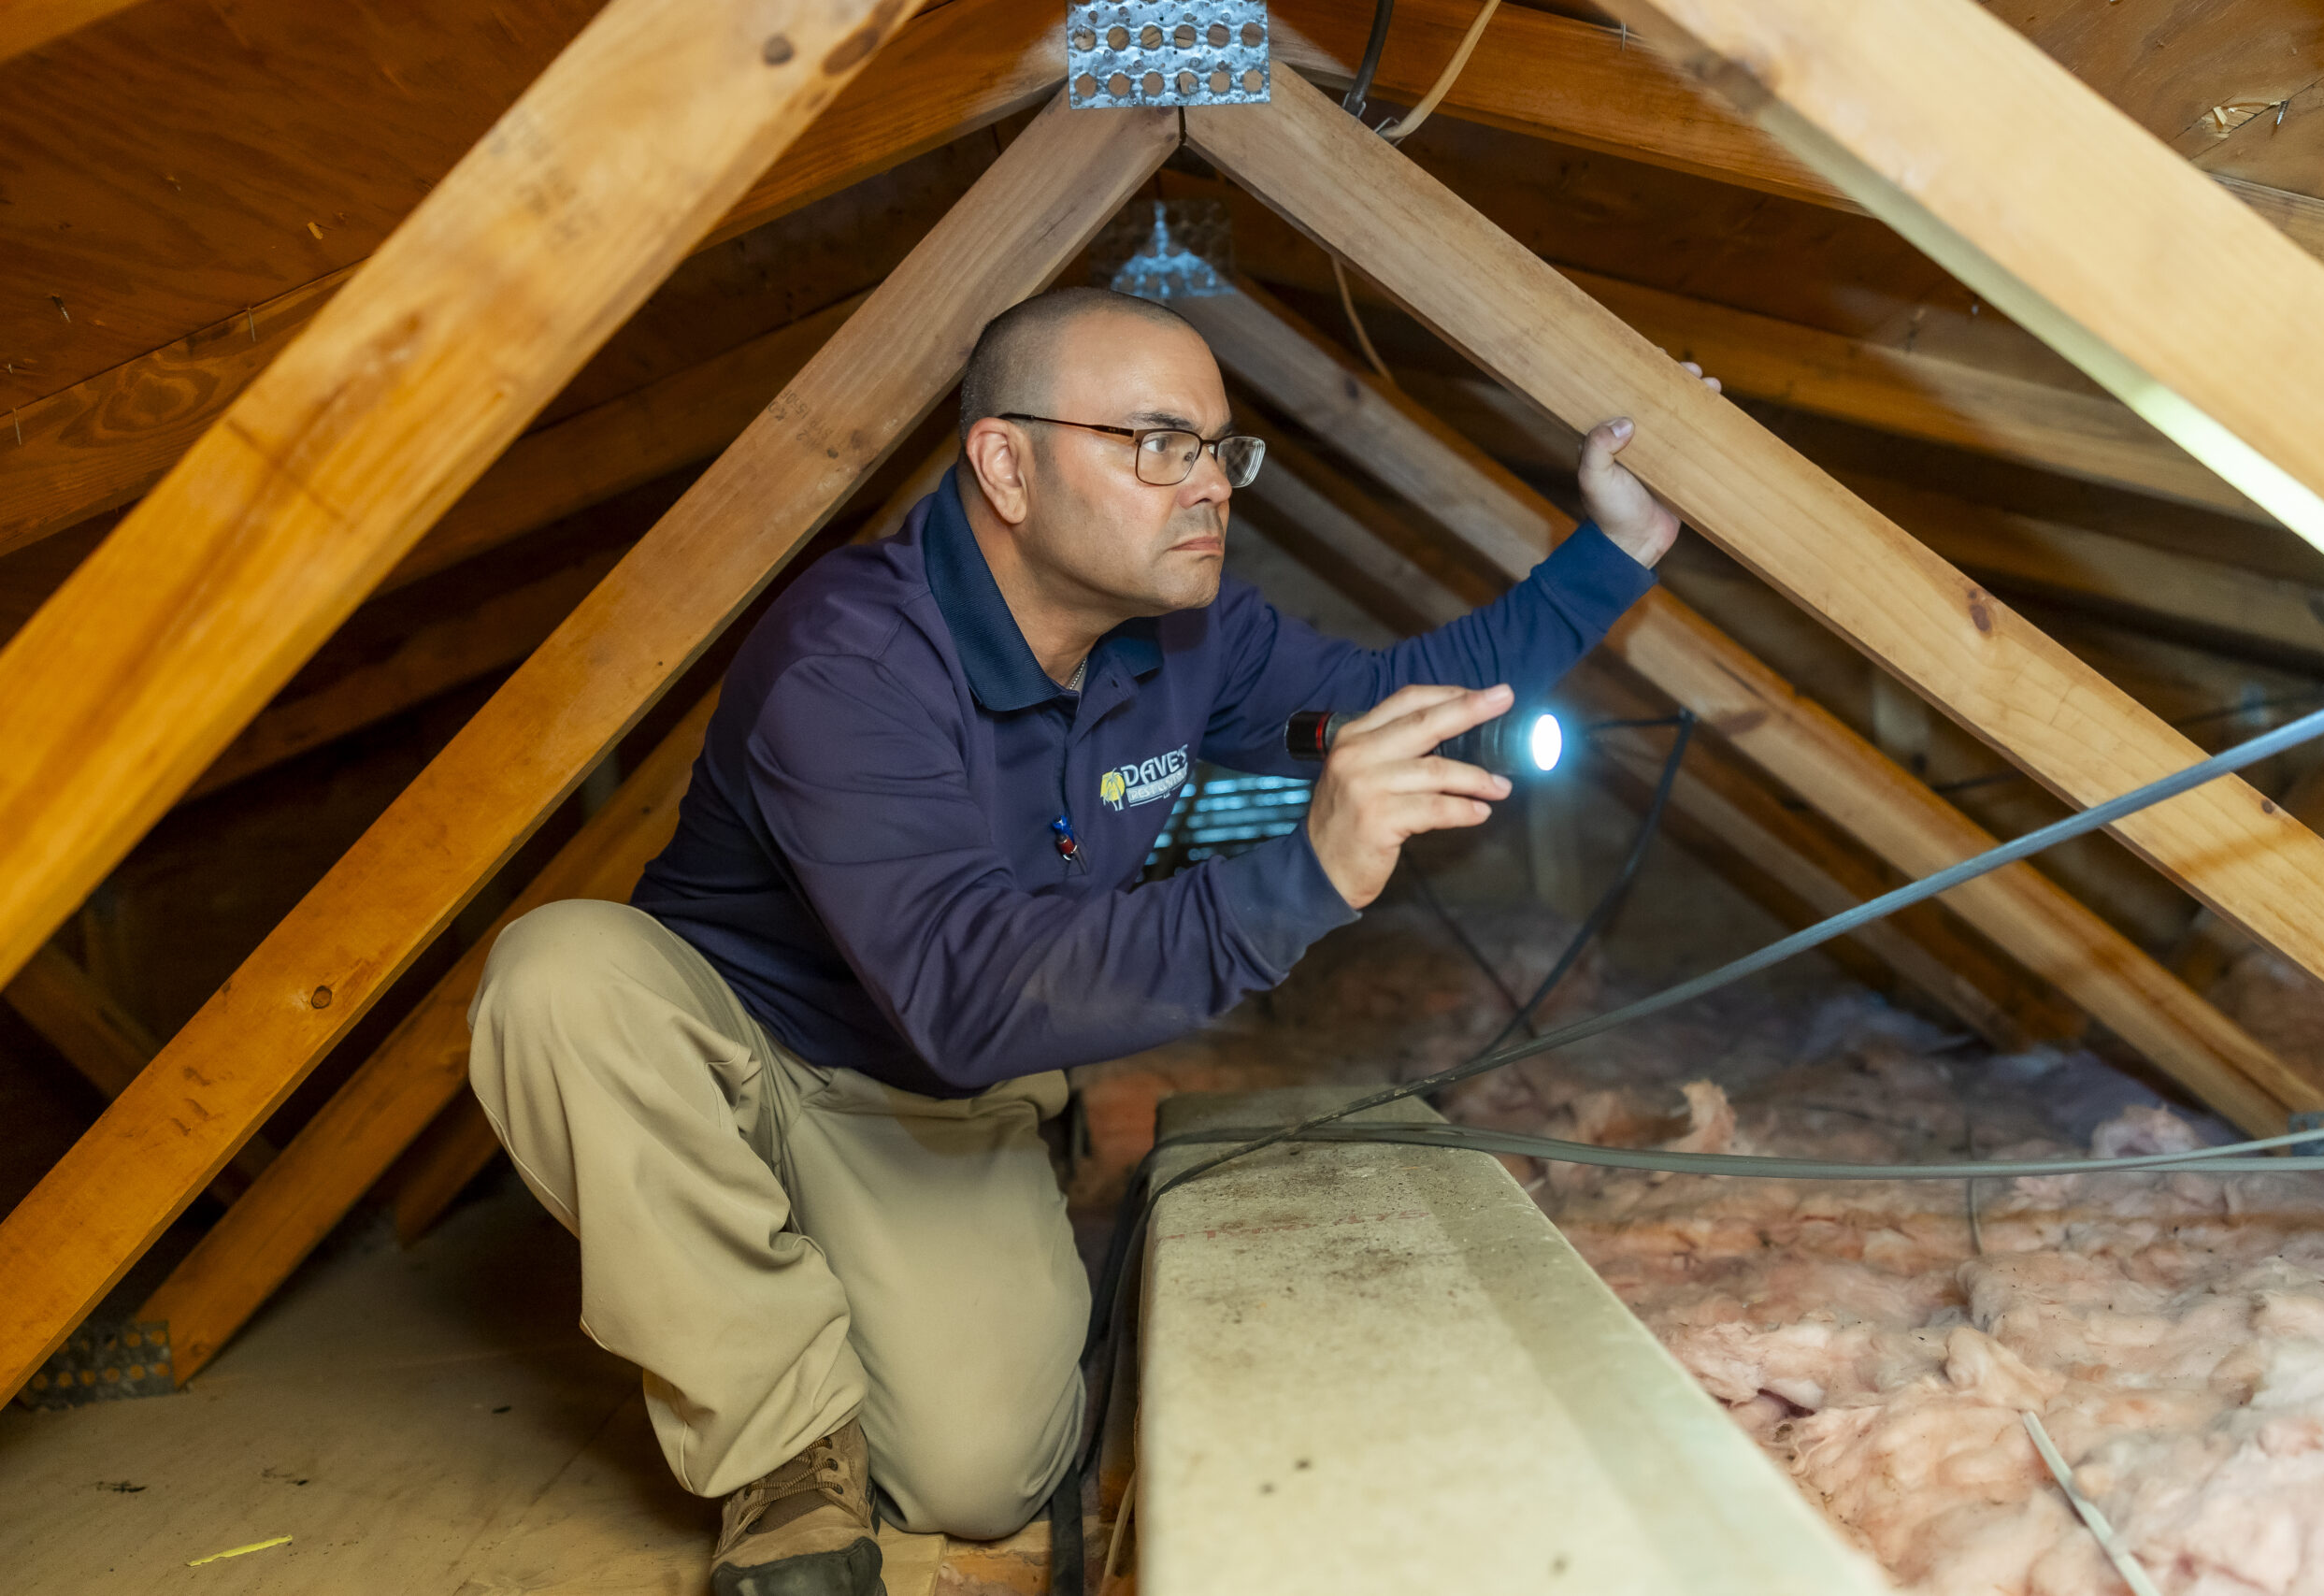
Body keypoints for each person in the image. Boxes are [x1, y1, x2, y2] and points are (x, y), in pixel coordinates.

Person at [466, 286, 1716, 1596]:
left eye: (1221, 450)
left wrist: (1616, 547)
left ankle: (810, 1253)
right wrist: (1299, 877)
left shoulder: (1189, 639)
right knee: (559, 977)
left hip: (930, 1103)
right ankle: (780, 1456)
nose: (1211, 485)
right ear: (1007, 466)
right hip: (736, 1051)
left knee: (984, 1474)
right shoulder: (851, 661)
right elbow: (968, 992)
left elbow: (1387, 704)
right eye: (1159, 445)